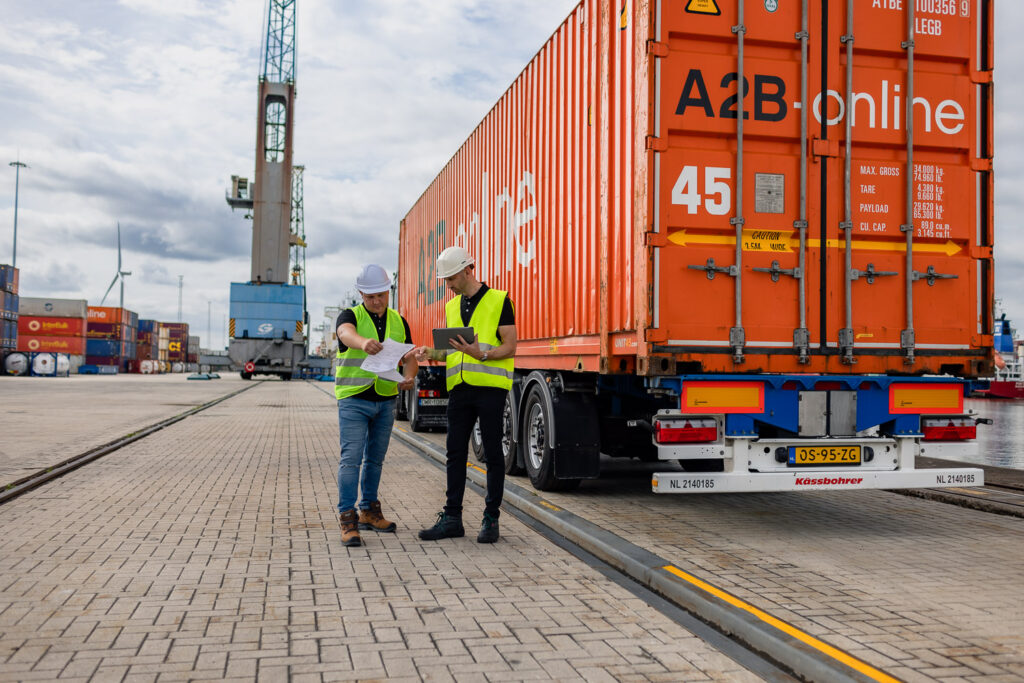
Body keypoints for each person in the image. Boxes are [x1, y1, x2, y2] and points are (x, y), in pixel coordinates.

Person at [415, 245, 517, 544]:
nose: (448, 285)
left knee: (493, 454)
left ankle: (491, 518)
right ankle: (452, 519)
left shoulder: (500, 300)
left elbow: (510, 346)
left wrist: (482, 355)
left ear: (468, 269)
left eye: (451, 278)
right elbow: (452, 350)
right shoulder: (451, 307)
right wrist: (430, 352)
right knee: (455, 453)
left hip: (490, 390)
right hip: (459, 390)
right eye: (445, 280)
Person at [335, 264, 417, 547]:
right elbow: (345, 334)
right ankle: (348, 518)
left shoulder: (399, 321)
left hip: (385, 400)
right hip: (354, 399)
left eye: (381, 295)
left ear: (388, 291)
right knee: (351, 460)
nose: (376, 301)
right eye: (370, 297)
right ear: (361, 294)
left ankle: (369, 510)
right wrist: (362, 342)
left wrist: (409, 377)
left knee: (375, 460)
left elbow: (409, 356)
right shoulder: (351, 316)